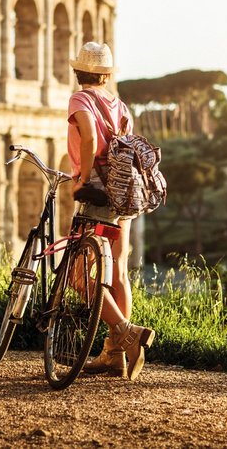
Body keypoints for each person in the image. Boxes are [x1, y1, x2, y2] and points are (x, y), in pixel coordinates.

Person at [66, 41, 155, 381]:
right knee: (118, 271)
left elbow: (89, 137)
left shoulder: (80, 99)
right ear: (105, 74)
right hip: (125, 195)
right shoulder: (121, 106)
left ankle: (127, 332)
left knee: (76, 274)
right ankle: (113, 355)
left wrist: (83, 179)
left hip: (99, 197)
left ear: (79, 72)